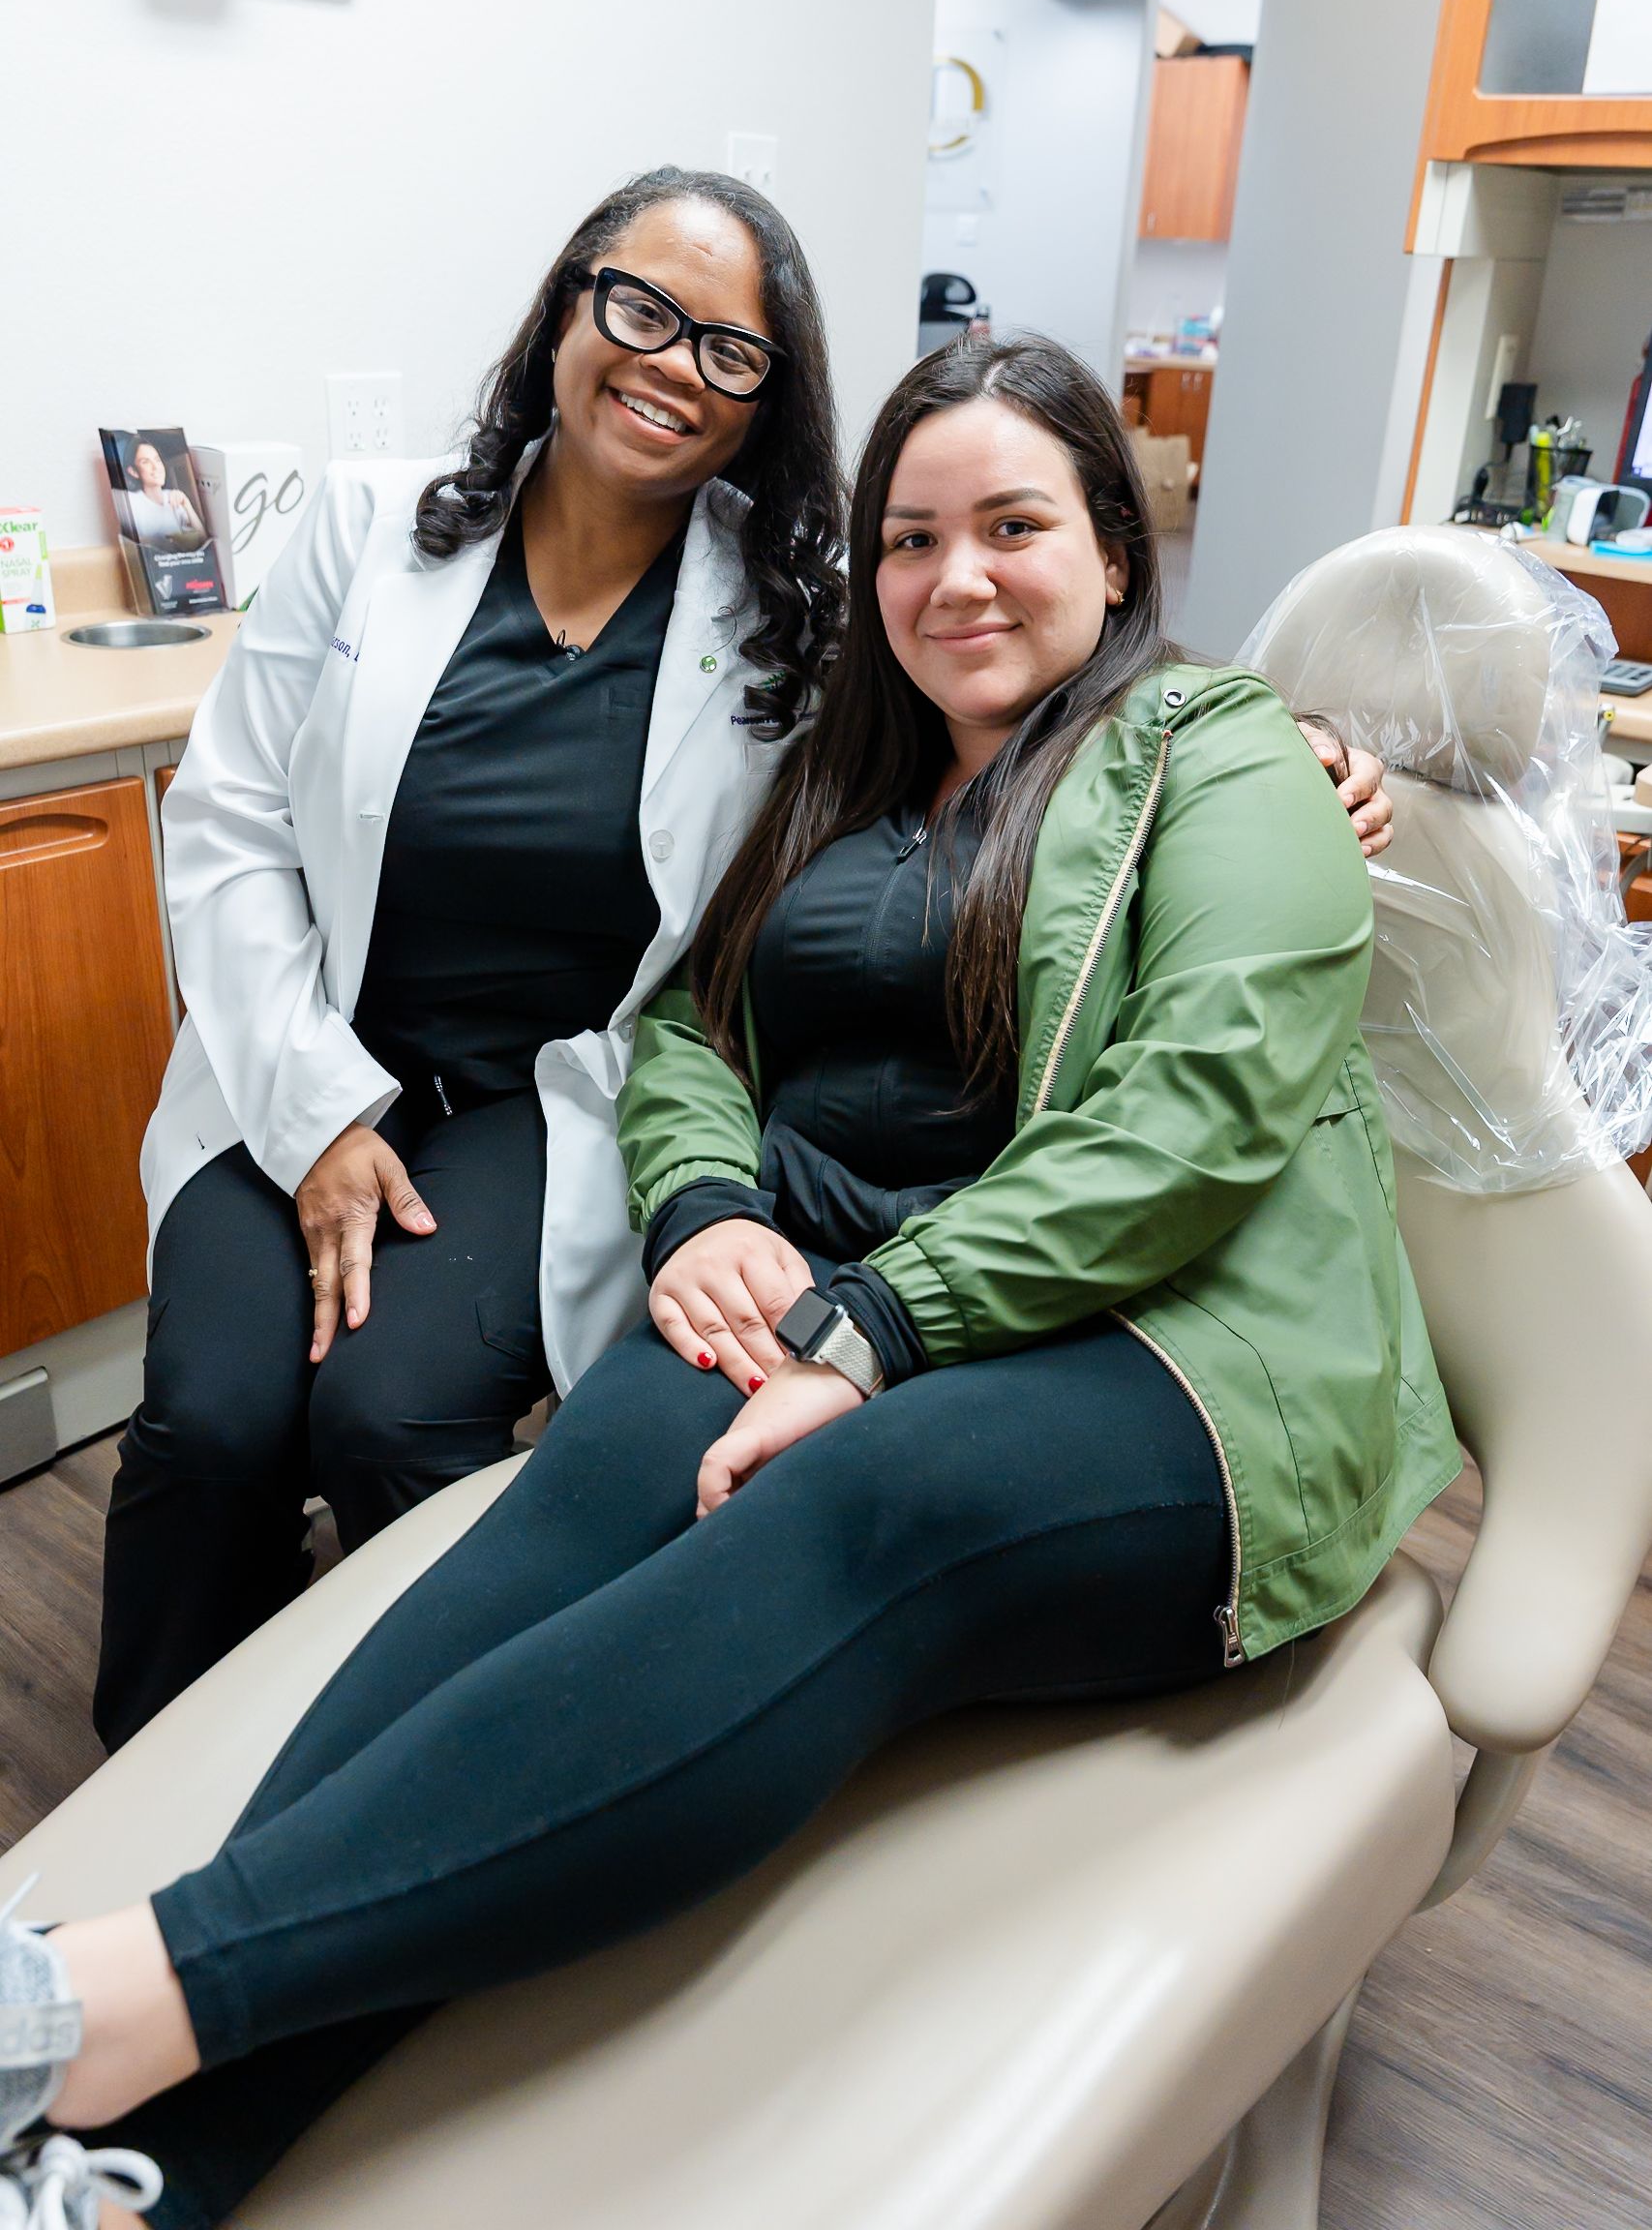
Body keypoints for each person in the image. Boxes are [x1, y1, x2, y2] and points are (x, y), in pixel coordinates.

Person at [0, 334, 1455, 2230]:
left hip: (1162, 1340)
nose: (956, 577)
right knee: (570, 1511)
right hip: (834, 1281)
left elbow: (1196, 1116)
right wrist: (701, 1213)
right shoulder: (840, 779)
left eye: (1013, 524)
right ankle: (138, 2167)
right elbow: (685, 1027)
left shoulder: (1220, 752)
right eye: (910, 537)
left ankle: (95, 2001)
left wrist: (874, 1328)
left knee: (850, 1497)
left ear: (1110, 543)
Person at [97, 172, 1390, 1753]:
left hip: (547, 1093)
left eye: (732, 351)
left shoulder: (798, 606)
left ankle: (400, 1750)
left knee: (394, 1411)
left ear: (770, 404)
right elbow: (226, 826)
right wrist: (317, 1122)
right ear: (567, 309)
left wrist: (1280, 745)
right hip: (298, 1061)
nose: (671, 365)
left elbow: (1014, 652)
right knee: (211, 1421)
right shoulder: (369, 526)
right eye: (639, 310)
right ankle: (154, 1773)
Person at [121, 443, 205, 548]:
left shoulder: (174, 497)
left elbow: (203, 540)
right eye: (145, 462)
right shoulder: (131, 501)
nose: (156, 467)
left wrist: (187, 505)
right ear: (133, 472)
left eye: (157, 460)